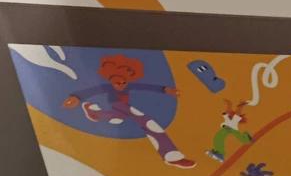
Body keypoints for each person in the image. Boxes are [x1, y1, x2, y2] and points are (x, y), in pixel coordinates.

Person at [63, 54, 195, 169]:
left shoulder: (129, 85)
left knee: (119, 116)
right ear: (110, 78)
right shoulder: (106, 87)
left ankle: (95, 113)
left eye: (124, 82)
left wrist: (165, 90)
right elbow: (92, 91)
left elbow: (146, 87)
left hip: (122, 108)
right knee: (148, 122)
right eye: (117, 82)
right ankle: (171, 156)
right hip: (118, 105)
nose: (121, 85)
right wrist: (76, 97)